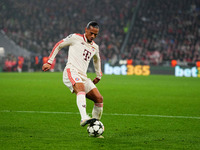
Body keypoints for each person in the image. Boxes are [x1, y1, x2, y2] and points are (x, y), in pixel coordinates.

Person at [42, 21, 103, 127]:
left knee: (99, 99)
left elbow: (97, 60)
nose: (93, 36)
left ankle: (94, 126)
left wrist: (98, 75)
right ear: (86, 30)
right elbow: (59, 45)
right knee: (80, 89)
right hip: (71, 70)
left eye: (95, 35)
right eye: (91, 33)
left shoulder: (95, 47)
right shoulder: (75, 37)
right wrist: (49, 61)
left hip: (83, 76)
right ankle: (84, 117)